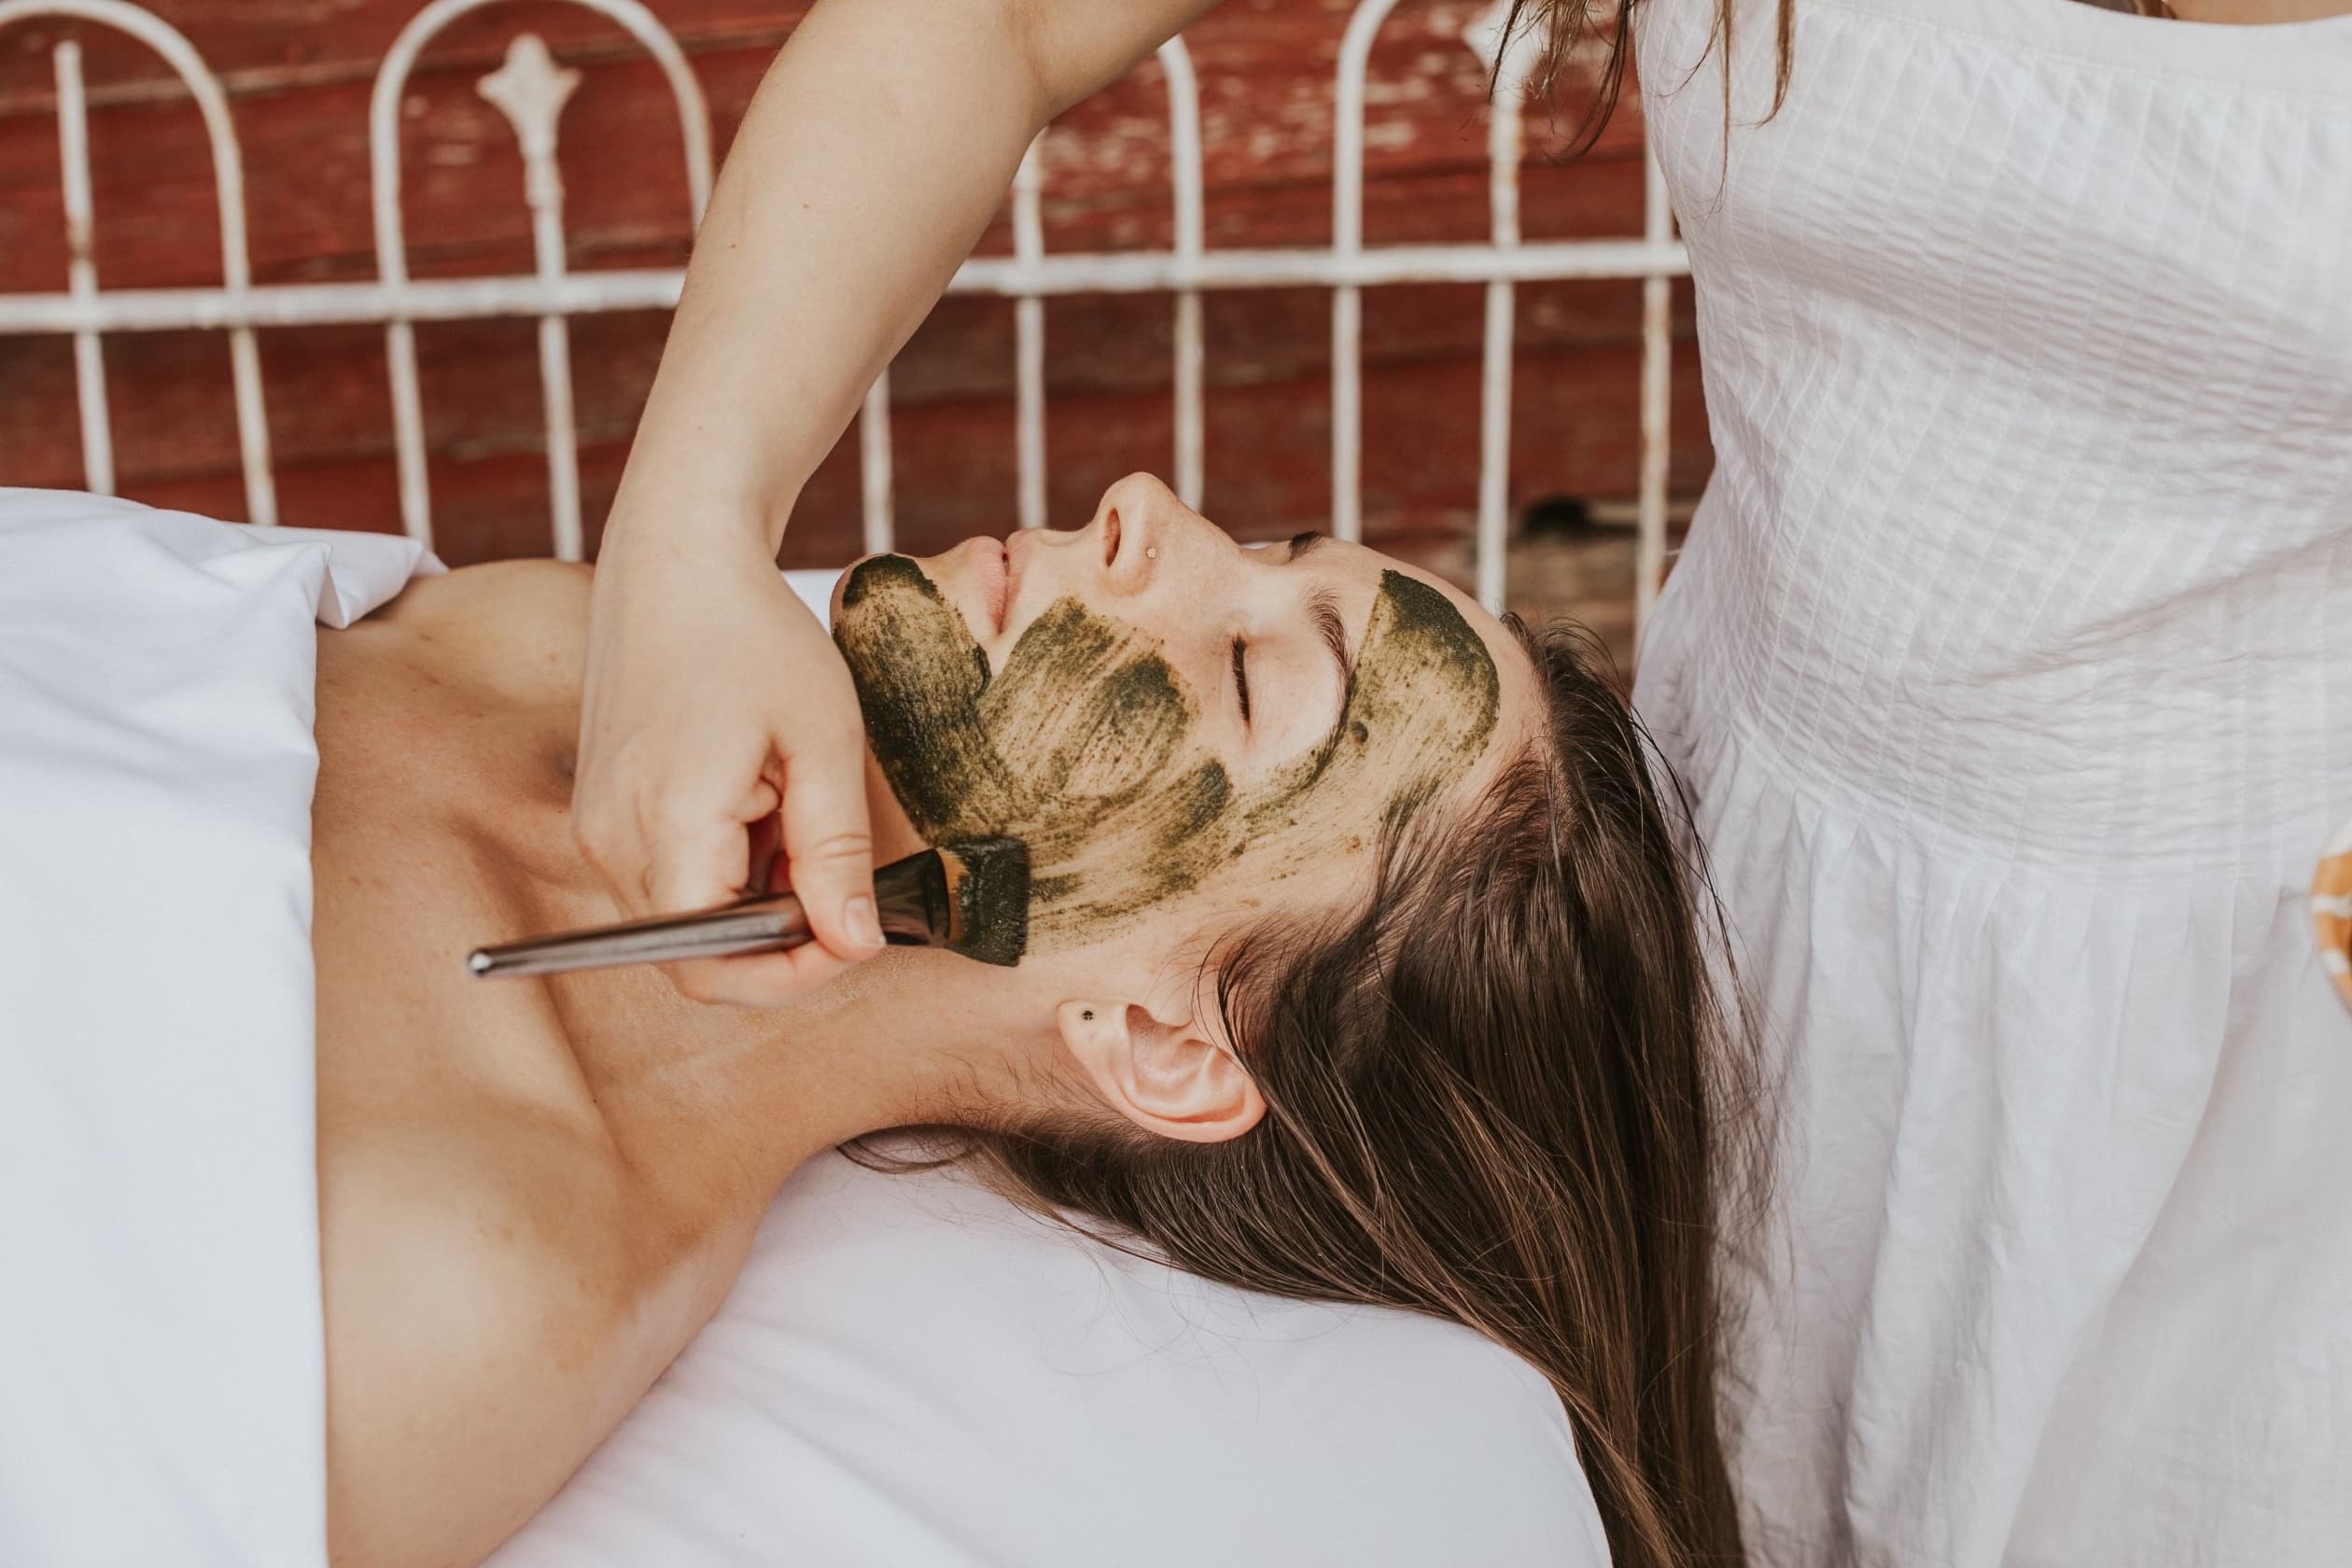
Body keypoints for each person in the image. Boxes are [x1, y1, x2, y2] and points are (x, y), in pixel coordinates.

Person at [568, 0, 2352, 1563]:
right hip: (1747, 854)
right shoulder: (1517, 893)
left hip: (2265, 987)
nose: (1142, 505)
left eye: (1269, 655)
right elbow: (1003, 18)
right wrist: (685, 532)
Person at [314, 473, 1756, 1568]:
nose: (1147, 507)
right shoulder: (580, 632)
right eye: (1263, 554)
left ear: (1163, 1044)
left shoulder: (462, 1285)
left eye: (1250, 674)